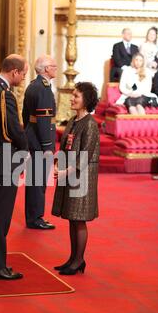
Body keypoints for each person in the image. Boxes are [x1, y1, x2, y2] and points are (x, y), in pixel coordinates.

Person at [0, 54, 29, 280]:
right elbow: (13, 129)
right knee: (0, 216)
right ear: (14, 72)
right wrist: (26, 148)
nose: (23, 79)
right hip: (5, 160)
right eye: (23, 74)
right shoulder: (4, 94)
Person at [52, 82, 100, 276]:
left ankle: (79, 260)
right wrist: (57, 160)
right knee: (72, 217)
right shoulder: (72, 120)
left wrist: (64, 172)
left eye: (76, 96)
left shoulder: (90, 124)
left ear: (86, 101)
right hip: (70, 172)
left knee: (79, 219)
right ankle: (73, 259)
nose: (71, 98)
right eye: (72, 95)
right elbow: (65, 146)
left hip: (82, 176)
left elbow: (85, 155)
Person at [22, 55, 57, 230]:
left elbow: (25, 116)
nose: (56, 67)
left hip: (32, 137)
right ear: (45, 69)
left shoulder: (33, 86)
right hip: (40, 140)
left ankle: (33, 216)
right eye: (53, 66)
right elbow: (44, 120)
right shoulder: (42, 88)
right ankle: (35, 218)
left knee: (34, 180)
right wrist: (47, 146)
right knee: (38, 181)